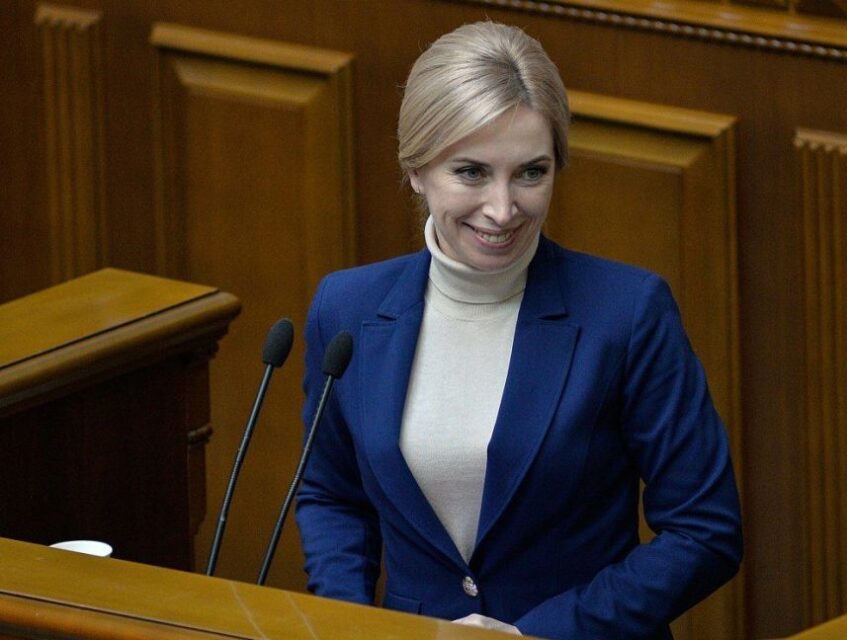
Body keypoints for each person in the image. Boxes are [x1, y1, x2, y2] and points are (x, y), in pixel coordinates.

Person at [295, 21, 742, 639]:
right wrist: (350, 626)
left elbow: (704, 530)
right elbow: (331, 495)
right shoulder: (345, 309)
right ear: (417, 170)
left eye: (531, 173)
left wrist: (540, 635)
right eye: (471, 172)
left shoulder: (628, 313)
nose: (503, 210)